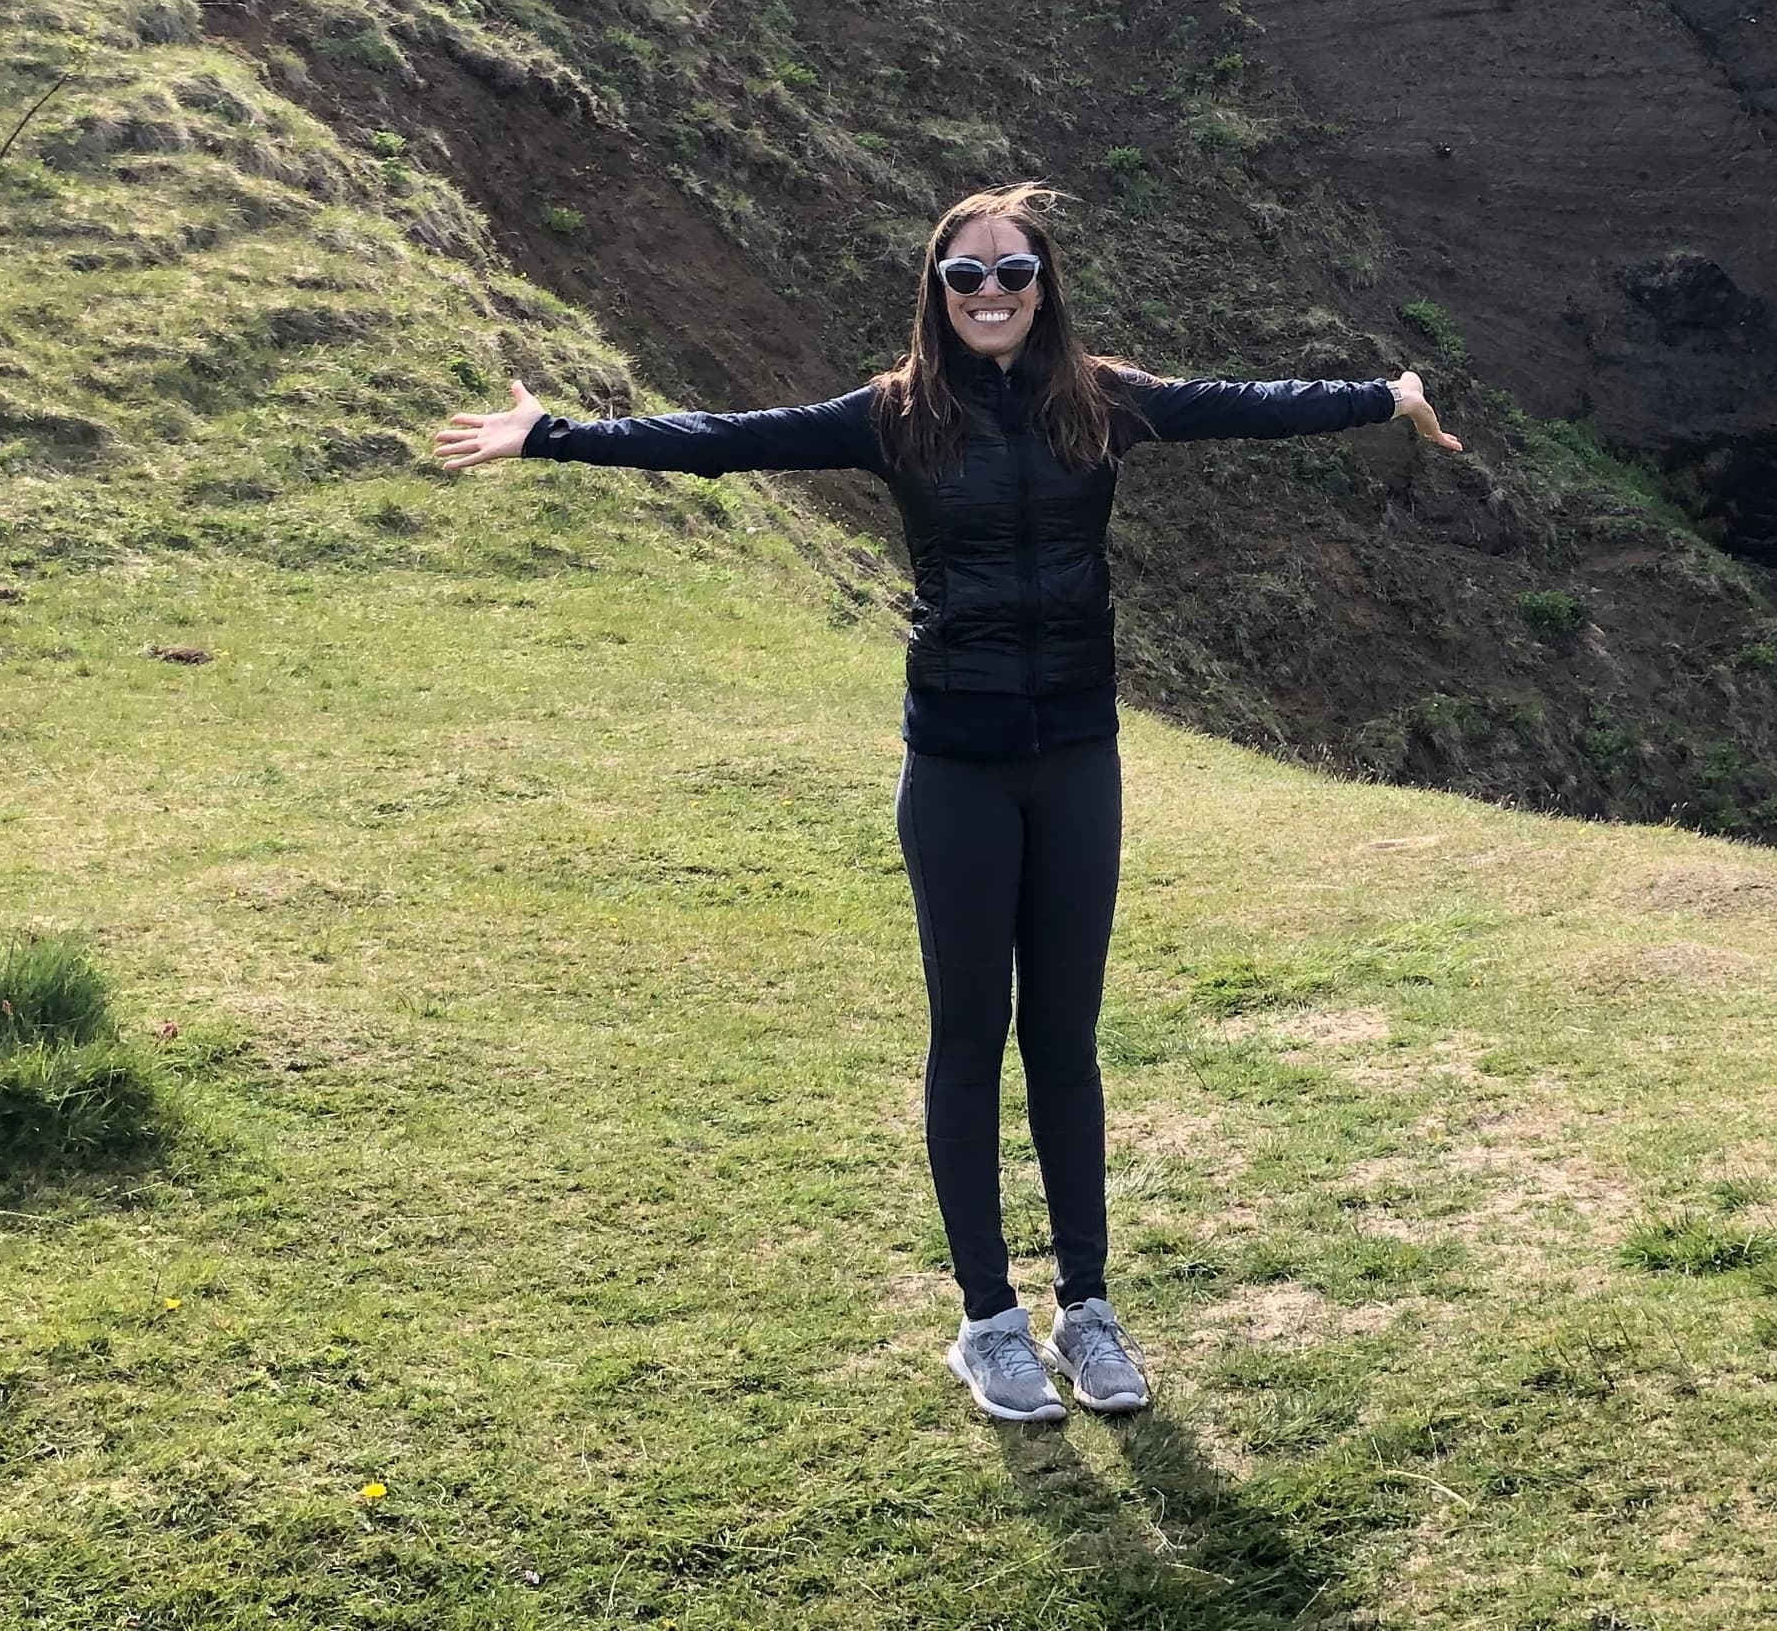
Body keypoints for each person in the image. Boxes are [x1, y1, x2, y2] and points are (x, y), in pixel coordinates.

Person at [431, 180, 1460, 1425]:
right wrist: (557, 437)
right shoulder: (894, 416)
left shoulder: (1105, 400)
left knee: (1065, 1037)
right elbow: (725, 436)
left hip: (1078, 752)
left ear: (1044, 285)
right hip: (959, 764)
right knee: (972, 1036)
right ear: (936, 289)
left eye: (1011, 272)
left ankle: (1088, 1310)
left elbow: (1246, 404)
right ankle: (989, 1324)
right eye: (965, 276)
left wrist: (1385, 395)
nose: (989, 294)